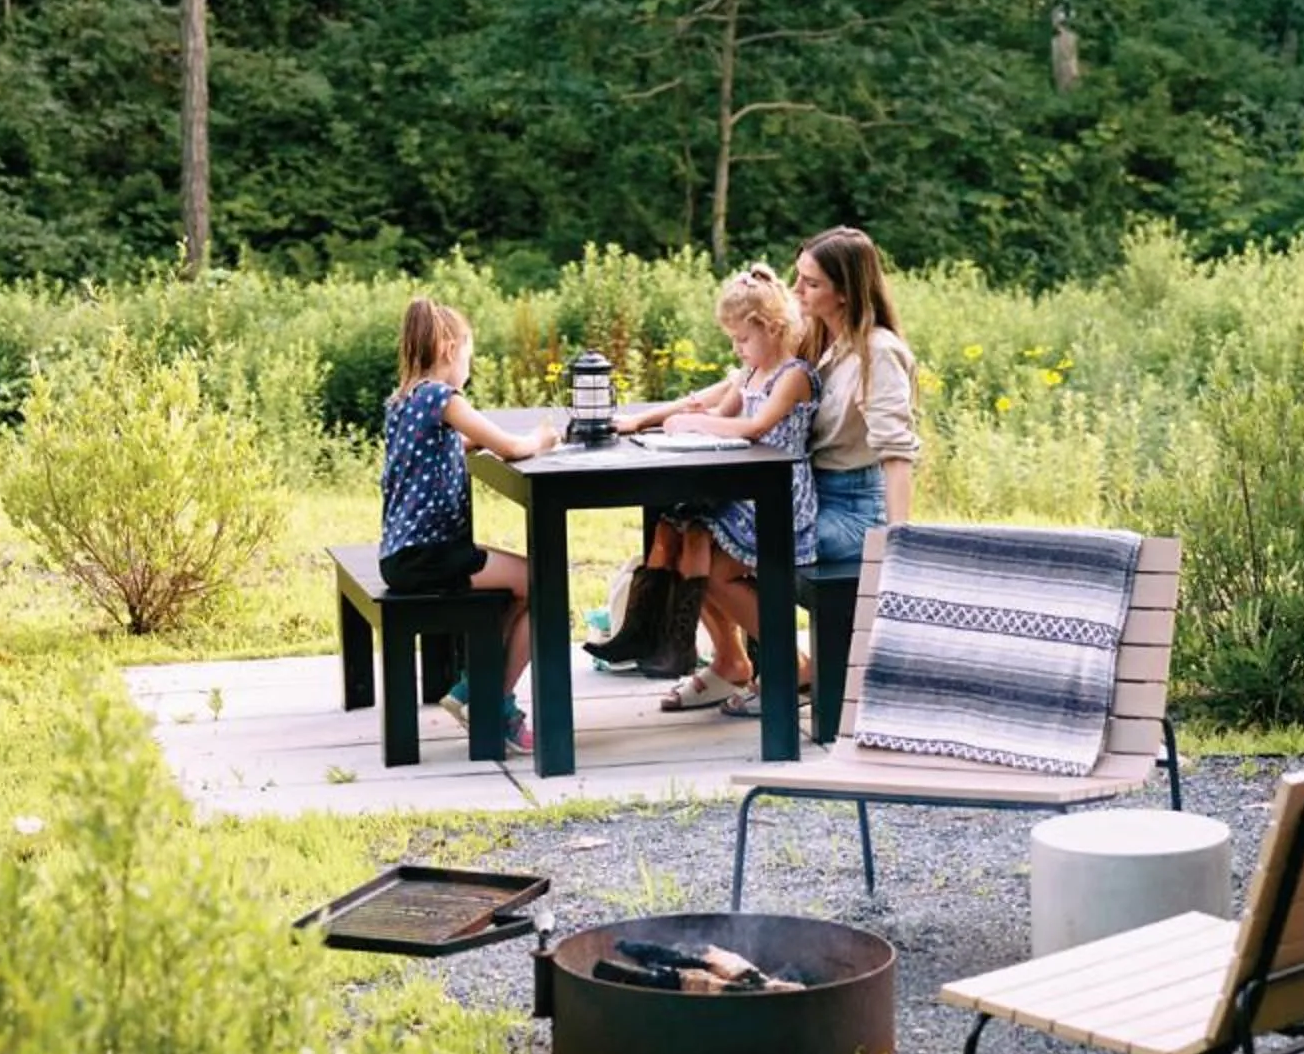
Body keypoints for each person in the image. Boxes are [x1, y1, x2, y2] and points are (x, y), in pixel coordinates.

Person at [582, 263, 817, 713]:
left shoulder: (793, 375)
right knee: (678, 530)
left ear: (772, 328)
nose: (737, 348)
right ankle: (654, 636)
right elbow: (719, 411)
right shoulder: (750, 374)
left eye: (743, 339)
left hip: (780, 500)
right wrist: (673, 426)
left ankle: (792, 661)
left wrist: (695, 422)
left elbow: (752, 427)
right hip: (746, 492)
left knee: (706, 561)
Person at [706, 225, 920, 699]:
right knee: (697, 537)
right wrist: (662, 416)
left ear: (845, 292)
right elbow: (747, 380)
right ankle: (743, 664)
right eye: (798, 277)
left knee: (718, 559)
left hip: (854, 510)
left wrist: (898, 542)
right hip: (811, 497)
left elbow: (897, 451)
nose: (797, 290)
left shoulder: (877, 353)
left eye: (812, 283)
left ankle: (791, 669)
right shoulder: (820, 339)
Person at [380, 295, 557, 753]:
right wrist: (542, 437)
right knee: (543, 583)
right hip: (431, 554)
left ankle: (472, 691)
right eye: (469, 356)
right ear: (448, 349)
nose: (469, 368)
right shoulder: (443, 396)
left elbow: (438, 451)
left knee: (518, 586)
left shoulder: (402, 400)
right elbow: (515, 448)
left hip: (403, 555)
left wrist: (469, 448)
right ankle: (494, 702)